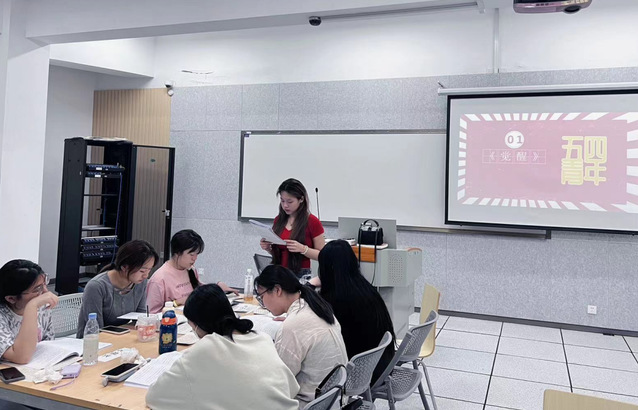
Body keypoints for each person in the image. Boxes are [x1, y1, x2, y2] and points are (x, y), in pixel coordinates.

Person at [146, 284, 300, 410]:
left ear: (199, 324)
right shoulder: (261, 338)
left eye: (192, 326)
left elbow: (155, 397)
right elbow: (291, 388)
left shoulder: (206, 349)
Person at [254, 265, 347, 407]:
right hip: (332, 400)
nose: (263, 304)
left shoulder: (293, 326)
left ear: (277, 290)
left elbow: (279, 382)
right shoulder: (316, 306)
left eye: (262, 297)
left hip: (309, 404)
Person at [318, 239, 396, 383]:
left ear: (327, 268)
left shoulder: (337, 299)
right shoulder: (363, 287)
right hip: (382, 365)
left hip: (361, 375)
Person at [77, 240, 158, 337]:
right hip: (94, 340)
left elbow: (140, 317)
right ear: (124, 267)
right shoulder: (96, 286)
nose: (146, 276)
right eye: (142, 271)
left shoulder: (140, 283)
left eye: (149, 270)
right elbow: (95, 327)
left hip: (122, 336)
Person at [146, 229, 237, 314]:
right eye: (191, 254)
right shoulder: (159, 279)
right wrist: (176, 303)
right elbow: (152, 314)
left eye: (197, 254)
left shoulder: (190, 269)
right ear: (177, 253)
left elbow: (199, 290)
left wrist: (217, 287)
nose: (195, 258)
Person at [259, 178, 325, 278]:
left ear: (301, 199)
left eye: (290, 202)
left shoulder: (312, 221)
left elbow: (323, 255)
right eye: (282, 201)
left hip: (301, 274)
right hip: (279, 271)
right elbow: (278, 252)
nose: (285, 205)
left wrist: (303, 249)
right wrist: (268, 248)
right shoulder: (278, 220)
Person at [0, 260, 58, 364]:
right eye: (37, 289)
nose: (46, 292)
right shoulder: (3, 316)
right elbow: (21, 358)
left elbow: (49, 344)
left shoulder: (42, 307)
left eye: (45, 284)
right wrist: (31, 306)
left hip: (37, 366)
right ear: (11, 298)